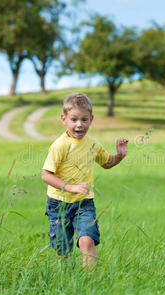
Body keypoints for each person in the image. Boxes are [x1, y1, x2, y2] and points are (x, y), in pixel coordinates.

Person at [41, 92, 128, 267]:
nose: (79, 124)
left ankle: (91, 282)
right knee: (63, 251)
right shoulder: (60, 145)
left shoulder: (93, 145)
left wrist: (119, 155)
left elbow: (106, 163)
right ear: (63, 119)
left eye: (84, 119)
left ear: (91, 119)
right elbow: (46, 175)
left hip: (84, 203)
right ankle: (66, 280)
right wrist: (71, 187)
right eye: (74, 120)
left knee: (87, 241)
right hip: (58, 204)